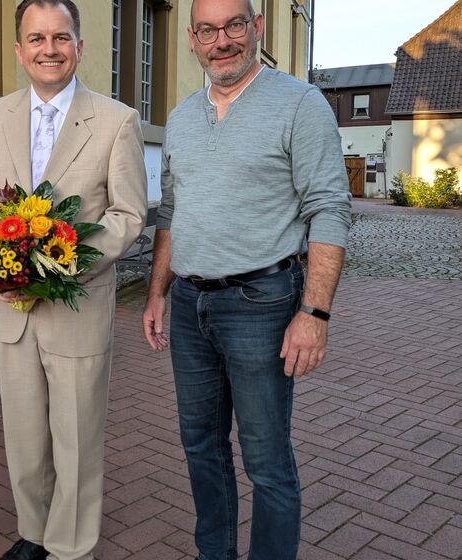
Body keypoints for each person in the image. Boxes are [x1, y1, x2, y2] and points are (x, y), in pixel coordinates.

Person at [142, 0, 351, 559]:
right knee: (201, 448)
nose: (223, 40)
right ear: (192, 38)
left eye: (235, 25)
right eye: (208, 30)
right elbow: (170, 211)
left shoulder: (299, 104)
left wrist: (314, 314)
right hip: (189, 305)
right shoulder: (183, 116)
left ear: (256, 27)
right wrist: (158, 291)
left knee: (266, 459)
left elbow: (329, 209)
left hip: (262, 303)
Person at [0, 1, 147, 558]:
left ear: (79, 47)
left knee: (78, 437)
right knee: (23, 436)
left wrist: (60, 262)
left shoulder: (116, 120)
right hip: (9, 309)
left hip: (77, 305)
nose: (49, 49)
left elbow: (128, 215)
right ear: (19, 50)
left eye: (61, 37)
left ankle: (71, 546)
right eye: (36, 38)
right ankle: (34, 534)